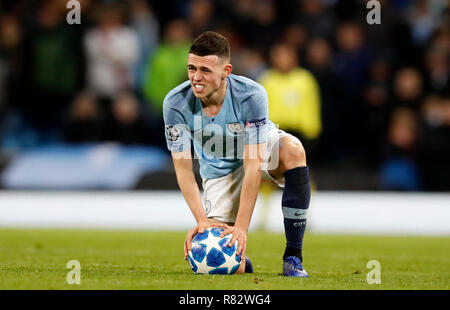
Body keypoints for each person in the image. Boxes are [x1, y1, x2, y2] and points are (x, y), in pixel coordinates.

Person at [163, 31, 311, 277]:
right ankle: (244, 261)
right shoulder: (175, 103)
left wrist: (242, 227)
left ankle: (293, 257)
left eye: (205, 70)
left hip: (255, 153)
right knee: (230, 268)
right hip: (218, 171)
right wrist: (202, 221)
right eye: (192, 68)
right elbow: (184, 170)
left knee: (293, 151)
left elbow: (252, 165)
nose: (196, 78)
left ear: (226, 71)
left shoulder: (251, 94)